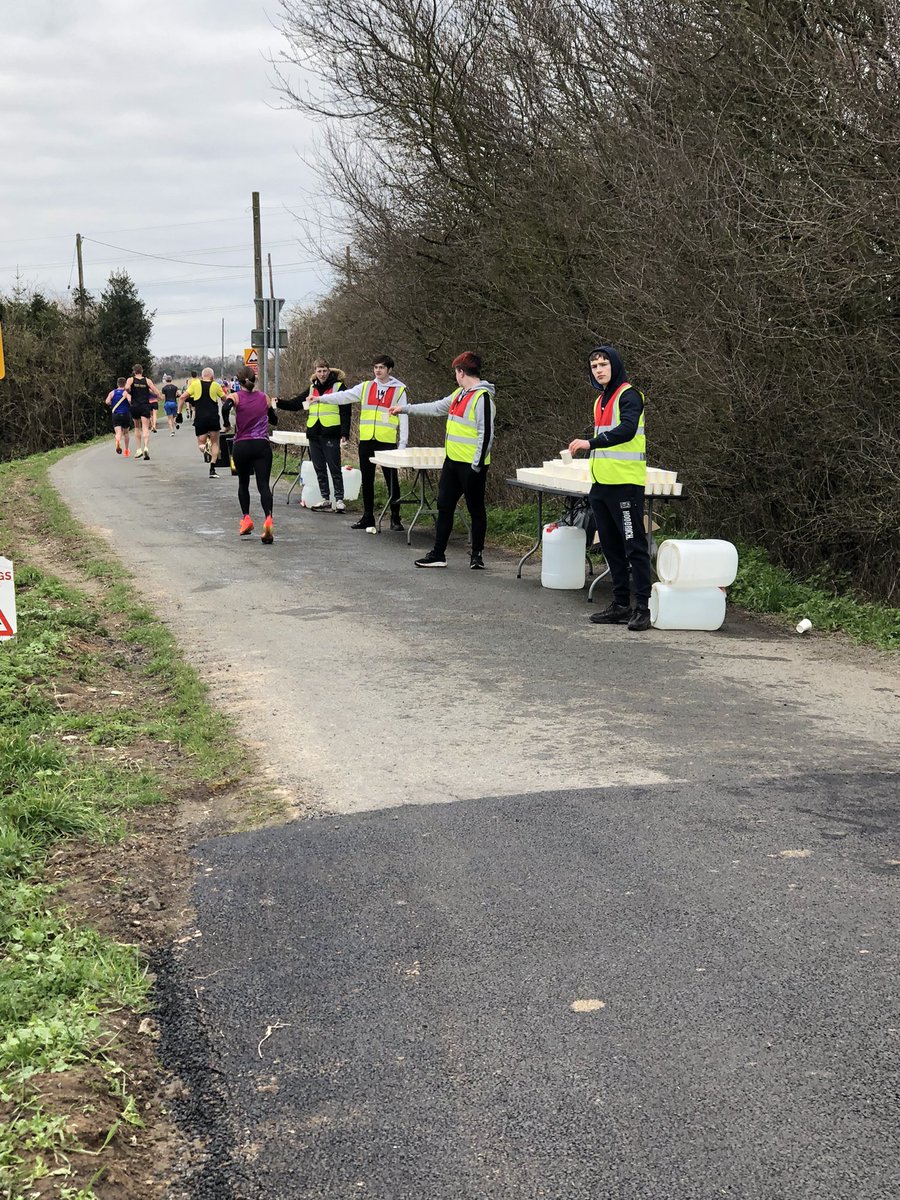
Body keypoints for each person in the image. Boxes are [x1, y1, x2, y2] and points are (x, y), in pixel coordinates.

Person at [567, 344, 652, 632]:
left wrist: (589, 444)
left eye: (604, 364)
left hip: (626, 485)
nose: (599, 370)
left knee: (634, 546)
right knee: (611, 547)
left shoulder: (629, 395)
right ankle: (620, 604)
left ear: (615, 365)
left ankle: (642, 607)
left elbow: (627, 430)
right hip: (601, 485)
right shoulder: (600, 400)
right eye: (594, 366)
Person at [395, 351, 495, 569]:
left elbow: (486, 434)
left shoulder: (483, 398)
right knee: (444, 506)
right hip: (452, 462)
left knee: (476, 509)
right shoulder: (459, 394)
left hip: (472, 466)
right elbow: (436, 407)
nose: (455, 376)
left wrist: (476, 465)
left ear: (461, 372)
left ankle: (476, 556)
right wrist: (405, 409)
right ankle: (438, 553)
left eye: (456, 372)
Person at [323, 354, 408, 530]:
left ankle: (395, 518)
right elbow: (343, 397)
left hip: (387, 442)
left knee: (391, 480)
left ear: (389, 370)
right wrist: (320, 399)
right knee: (367, 480)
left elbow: (405, 417)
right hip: (367, 440)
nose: (378, 370)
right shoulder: (366, 387)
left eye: (382, 368)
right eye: (375, 367)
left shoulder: (399, 390)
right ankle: (367, 516)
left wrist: (402, 444)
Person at [276, 359, 350, 512]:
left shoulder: (338, 386)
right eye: (319, 371)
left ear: (329, 371)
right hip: (314, 433)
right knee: (319, 468)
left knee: (334, 467)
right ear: (315, 372)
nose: (322, 374)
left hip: (331, 432)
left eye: (324, 370)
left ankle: (339, 499)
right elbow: (296, 404)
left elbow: (346, 411)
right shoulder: (311, 388)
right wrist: (279, 402)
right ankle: (325, 499)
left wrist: (345, 432)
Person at [231, 365, 278, 543]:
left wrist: (227, 423)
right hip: (261, 445)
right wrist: (271, 408)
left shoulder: (235, 397)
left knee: (243, 483)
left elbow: (225, 408)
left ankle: (246, 519)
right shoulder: (264, 397)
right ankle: (268, 519)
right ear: (254, 380)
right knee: (263, 485)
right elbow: (274, 420)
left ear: (238, 381)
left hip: (242, 446)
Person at [178, 367, 227, 479]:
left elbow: (182, 397)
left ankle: (205, 449)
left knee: (201, 443)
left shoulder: (195, 385)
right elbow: (226, 399)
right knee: (215, 442)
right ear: (212, 376)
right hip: (213, 418)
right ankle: (212, 469)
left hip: (200, 419)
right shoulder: (216, 385)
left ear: (202, 376)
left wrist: (179, 413)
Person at [122, 365, 161, 461]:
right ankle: (146, 447)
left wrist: (129, 391)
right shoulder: (147, 380)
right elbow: (155, 391)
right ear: (142, 371)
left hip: (135, 406)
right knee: (145, 427)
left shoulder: (131, 380)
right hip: (145, 406)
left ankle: (139, 449)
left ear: (134, 372)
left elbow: (126, 388)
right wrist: (160, 396)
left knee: (137, 427)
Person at [105, 377, 132, 456]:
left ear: (117, 384)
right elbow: (130, 400)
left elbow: (107, 401)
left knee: (118, 431)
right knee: (126, 432)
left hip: (116, 414)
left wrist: (112, 403)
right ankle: (126, 450)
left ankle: (118, 440)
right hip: (126, 414)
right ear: (125, 384)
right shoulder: (126, 392)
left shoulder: (112, 392)